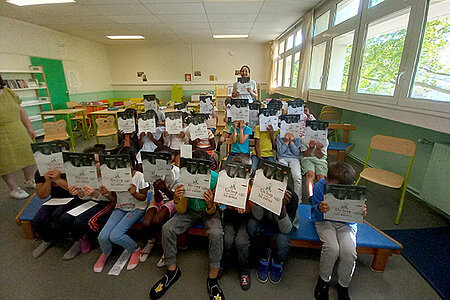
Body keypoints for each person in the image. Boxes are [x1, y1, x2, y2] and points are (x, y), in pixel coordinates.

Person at [149, 150, 224, 300]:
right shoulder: (183, 179)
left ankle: (213, 278)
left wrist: (210, 203)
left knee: (216, 233)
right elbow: (181, 209)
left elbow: (215, 208)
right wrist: (178, 198)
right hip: (189, 210)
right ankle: (172, 270)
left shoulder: (215, 179)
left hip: (209, 212)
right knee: (167, 228)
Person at [312, 162, 367, 300]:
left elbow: (356, 215)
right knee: (332, 248)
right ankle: (323, 281)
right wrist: (319, 208)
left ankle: (343, 285)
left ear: (351, 184)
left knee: (349, 252)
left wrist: (361, 212)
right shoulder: (320, 186)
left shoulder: (354, 191)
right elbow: (314, 212)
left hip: (346, 224)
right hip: (325, 222)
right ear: (327, 179)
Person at [94, 154, 150, 273]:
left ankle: (134, 249)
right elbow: (114, 198)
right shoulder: (113, 177)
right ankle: (106, 252)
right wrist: (107, 194)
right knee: (103, 236)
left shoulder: (140, 176)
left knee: (116, 235)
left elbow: (143, 197)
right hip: (120, 207)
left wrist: (134, 193)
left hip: (137, 208)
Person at [58, 144, 112, 260]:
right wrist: (79, 192)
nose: (93, 165)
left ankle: (90, 238)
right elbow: (84, 196)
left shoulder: (108, 176)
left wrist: (96, 193)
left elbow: (112, 198)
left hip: (105, 202)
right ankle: (79, 239)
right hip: (91, 201)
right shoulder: (85, 175)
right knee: (65, 218)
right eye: (91, 162)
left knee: (80, 221)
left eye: (96, 162)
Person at [134, 147, 179, 264]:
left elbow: (174, 197)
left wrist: (164, 188)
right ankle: (151, 241)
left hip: (172, 198)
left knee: (158, 220)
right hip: (158, 197)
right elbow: (157, 198)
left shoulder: (176, 172)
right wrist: (158, 189)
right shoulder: (152, 172)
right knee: (146, 223)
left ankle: (166, 248)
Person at [247, 185, 299, 284]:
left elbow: (286, 229)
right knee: (251, 225)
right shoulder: (264, 187)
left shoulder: (292, 198)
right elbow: (257, 217)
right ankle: (264, 253)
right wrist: (258, 199)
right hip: (266, 218)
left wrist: (282, 207)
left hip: (284, 222)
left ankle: (277, 260)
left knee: (282, 240)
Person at [0, 74, 36, 199]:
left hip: (18, 129)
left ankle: (30, 180)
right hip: (2, 134)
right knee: (5, 162)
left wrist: (29, 127)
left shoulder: (8, 92)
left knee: (28, 156)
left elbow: (21, 111)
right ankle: (14, 188)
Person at [221, 154, 253, 290]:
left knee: (241, 242)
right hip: (230, 215)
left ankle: (244, 269)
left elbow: (255, 210)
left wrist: (245, 208)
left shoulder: (252, 185)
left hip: (245, 218)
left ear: (250, 171)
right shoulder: (227, 180)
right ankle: (223, 263)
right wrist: (230, 203)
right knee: (227, 239)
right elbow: (221, 199)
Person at [31, 168, 78, 258]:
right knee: (38, 219)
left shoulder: (70, 168)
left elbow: (76, 191)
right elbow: (42, 195)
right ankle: (47, 239)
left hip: (73, 198)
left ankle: (77, 240)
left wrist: (58, 180)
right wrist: (48, 181)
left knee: (60, 216)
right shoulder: (40, 172)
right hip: (55, 199)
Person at [301, 122, 328, 200]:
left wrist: (318, 149)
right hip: (308, 159)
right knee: (310, 174)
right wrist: (311, 148)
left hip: (320, 160)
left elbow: (320, 156)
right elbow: (306, 155)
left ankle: (321, 197)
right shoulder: (305, 139)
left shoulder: (324, 140)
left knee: (321, 177)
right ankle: (311, 196)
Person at [276, 132, 302, 202]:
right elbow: (280, 152)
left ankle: (298, 200)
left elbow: (296, 153)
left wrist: (292, 142)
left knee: (297, 177)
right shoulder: (279, 136)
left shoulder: (298, 137)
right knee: (281, 175)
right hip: (282, 158)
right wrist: (286, 142)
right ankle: (279, 198)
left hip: (294, 158)